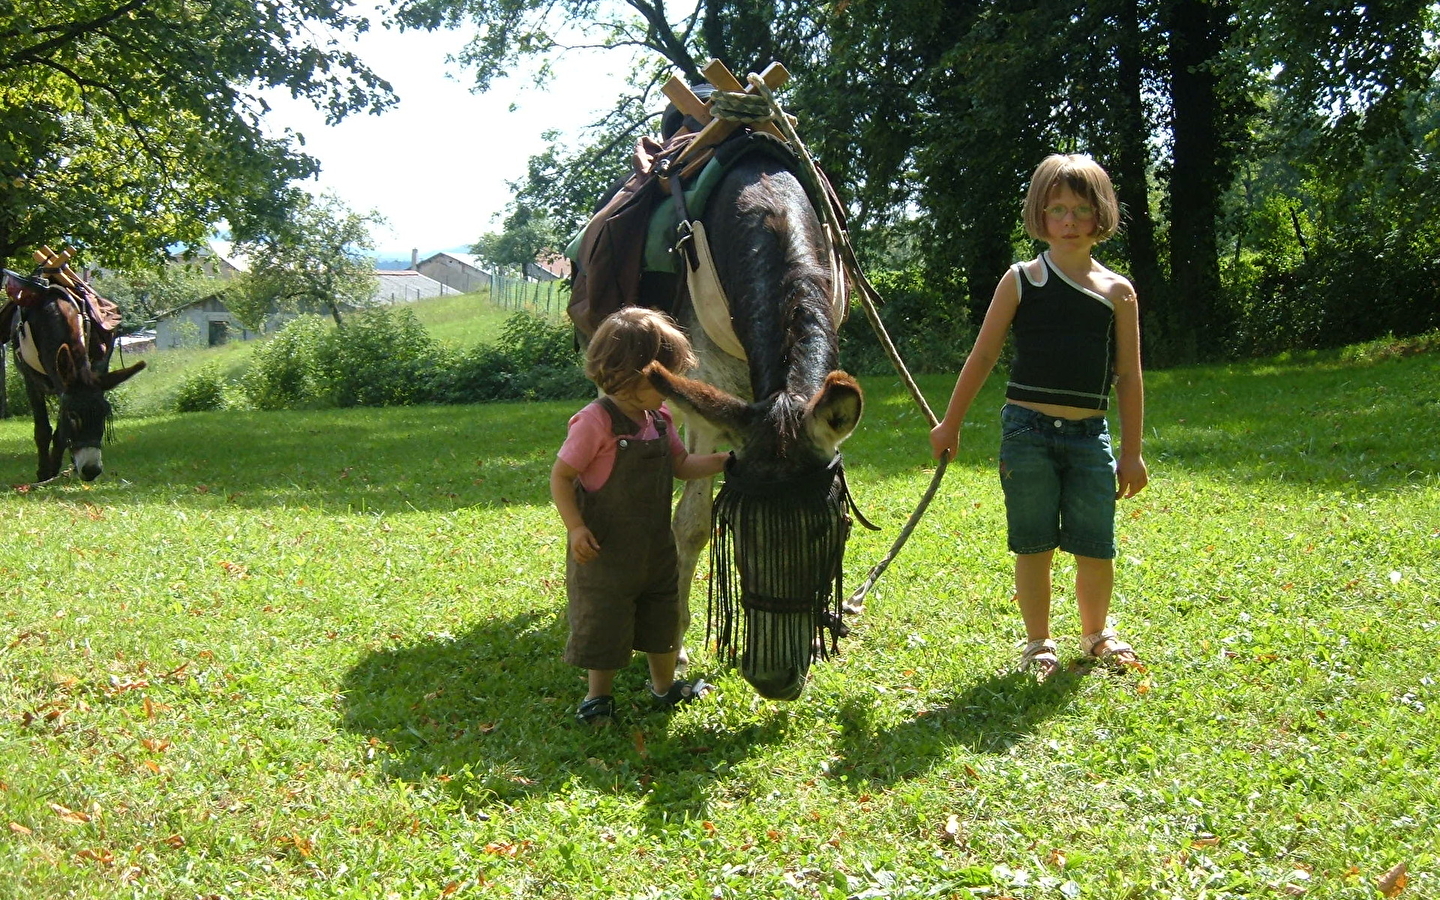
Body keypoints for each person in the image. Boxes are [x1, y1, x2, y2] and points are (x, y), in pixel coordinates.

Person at [928, 153, 1149, 681]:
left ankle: (1097, 634)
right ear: (1039, 216)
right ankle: (1038, 643)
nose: (1069, 222)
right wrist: (950, 422)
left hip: (1089, 437)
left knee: (1095, 542)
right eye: (1056, 210)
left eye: (1080, 210)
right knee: (1034, 543)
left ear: (1101, 215)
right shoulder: (1022, 280)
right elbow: (982, 356)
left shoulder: (1118, 293)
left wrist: (1133, 453)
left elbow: (1130, 377)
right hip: (1026, 433)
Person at [551, 307, 730, 723]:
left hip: (654, 547)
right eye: (662, 381)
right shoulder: (595, 422)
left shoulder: (661, 418)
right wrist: (575, 528)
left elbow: (682, 467)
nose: (670, 392)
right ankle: (598, 696)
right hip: (605, 551)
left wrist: (725, 460)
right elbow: (561, 477)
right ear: (628, 375)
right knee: (606, 620)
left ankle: (664, 687)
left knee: (662, 617)